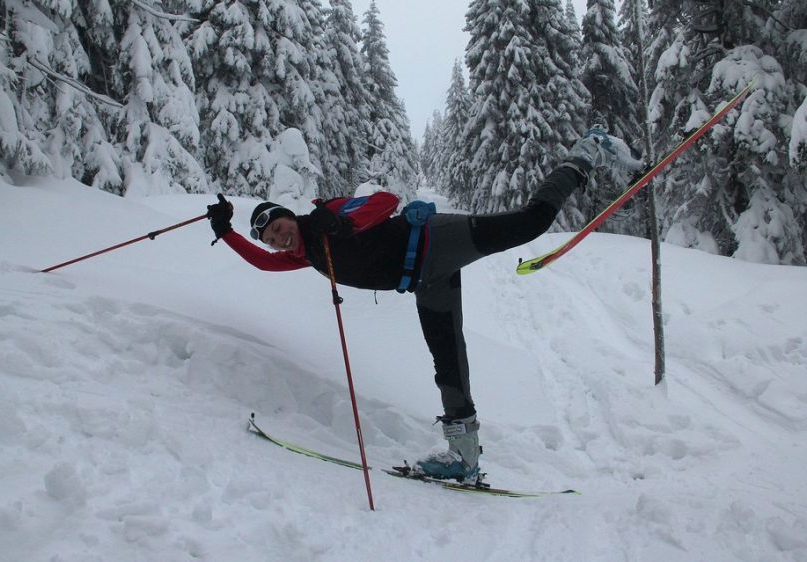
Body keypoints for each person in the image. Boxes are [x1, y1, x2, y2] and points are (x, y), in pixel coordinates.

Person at [207, 128, 641, 484]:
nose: (279, 238)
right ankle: (464, 457)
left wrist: (341, 222)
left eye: (280, 227)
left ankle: (584, 151)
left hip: (436, 239)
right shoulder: (303, 255)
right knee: (447, 362)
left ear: (290, 217)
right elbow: (262, 263)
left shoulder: (326, 216)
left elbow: (385, 202)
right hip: (424, 280)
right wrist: (226, 231)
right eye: (272, 237)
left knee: (529, 222)